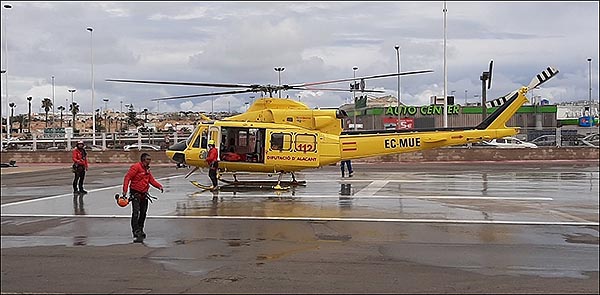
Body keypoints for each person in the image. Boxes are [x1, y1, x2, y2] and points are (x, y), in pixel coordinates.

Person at [122, 153, 164, 243]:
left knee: (143, 213)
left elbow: (151, 180)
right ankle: (135, 230)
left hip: (144, 193)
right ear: (143, 160)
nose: (149, 161)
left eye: (150, 159)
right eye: (148, 159)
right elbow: (127, 178)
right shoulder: (136, 167)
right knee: (135, 212)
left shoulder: (147, 169)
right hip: (135, 193)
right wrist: (124, 191)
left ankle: (140, 229)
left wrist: (159, 186)